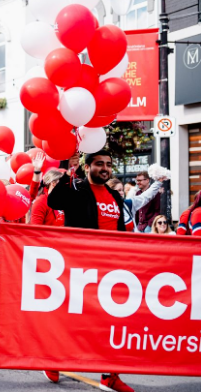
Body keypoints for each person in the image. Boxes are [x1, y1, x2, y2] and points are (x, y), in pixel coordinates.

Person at [47, 150, 133, 392]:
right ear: (87, 167)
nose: (105, 168)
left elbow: (120, 230)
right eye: (99, 164)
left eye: (108, 164)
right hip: (80, 266)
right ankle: (53, 360)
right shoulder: (76, 188)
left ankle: (110, 375)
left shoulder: (115, 195)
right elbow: (53, 201)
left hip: (112, 269)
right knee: (74, 320)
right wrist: (67, 172)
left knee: (112, 321)